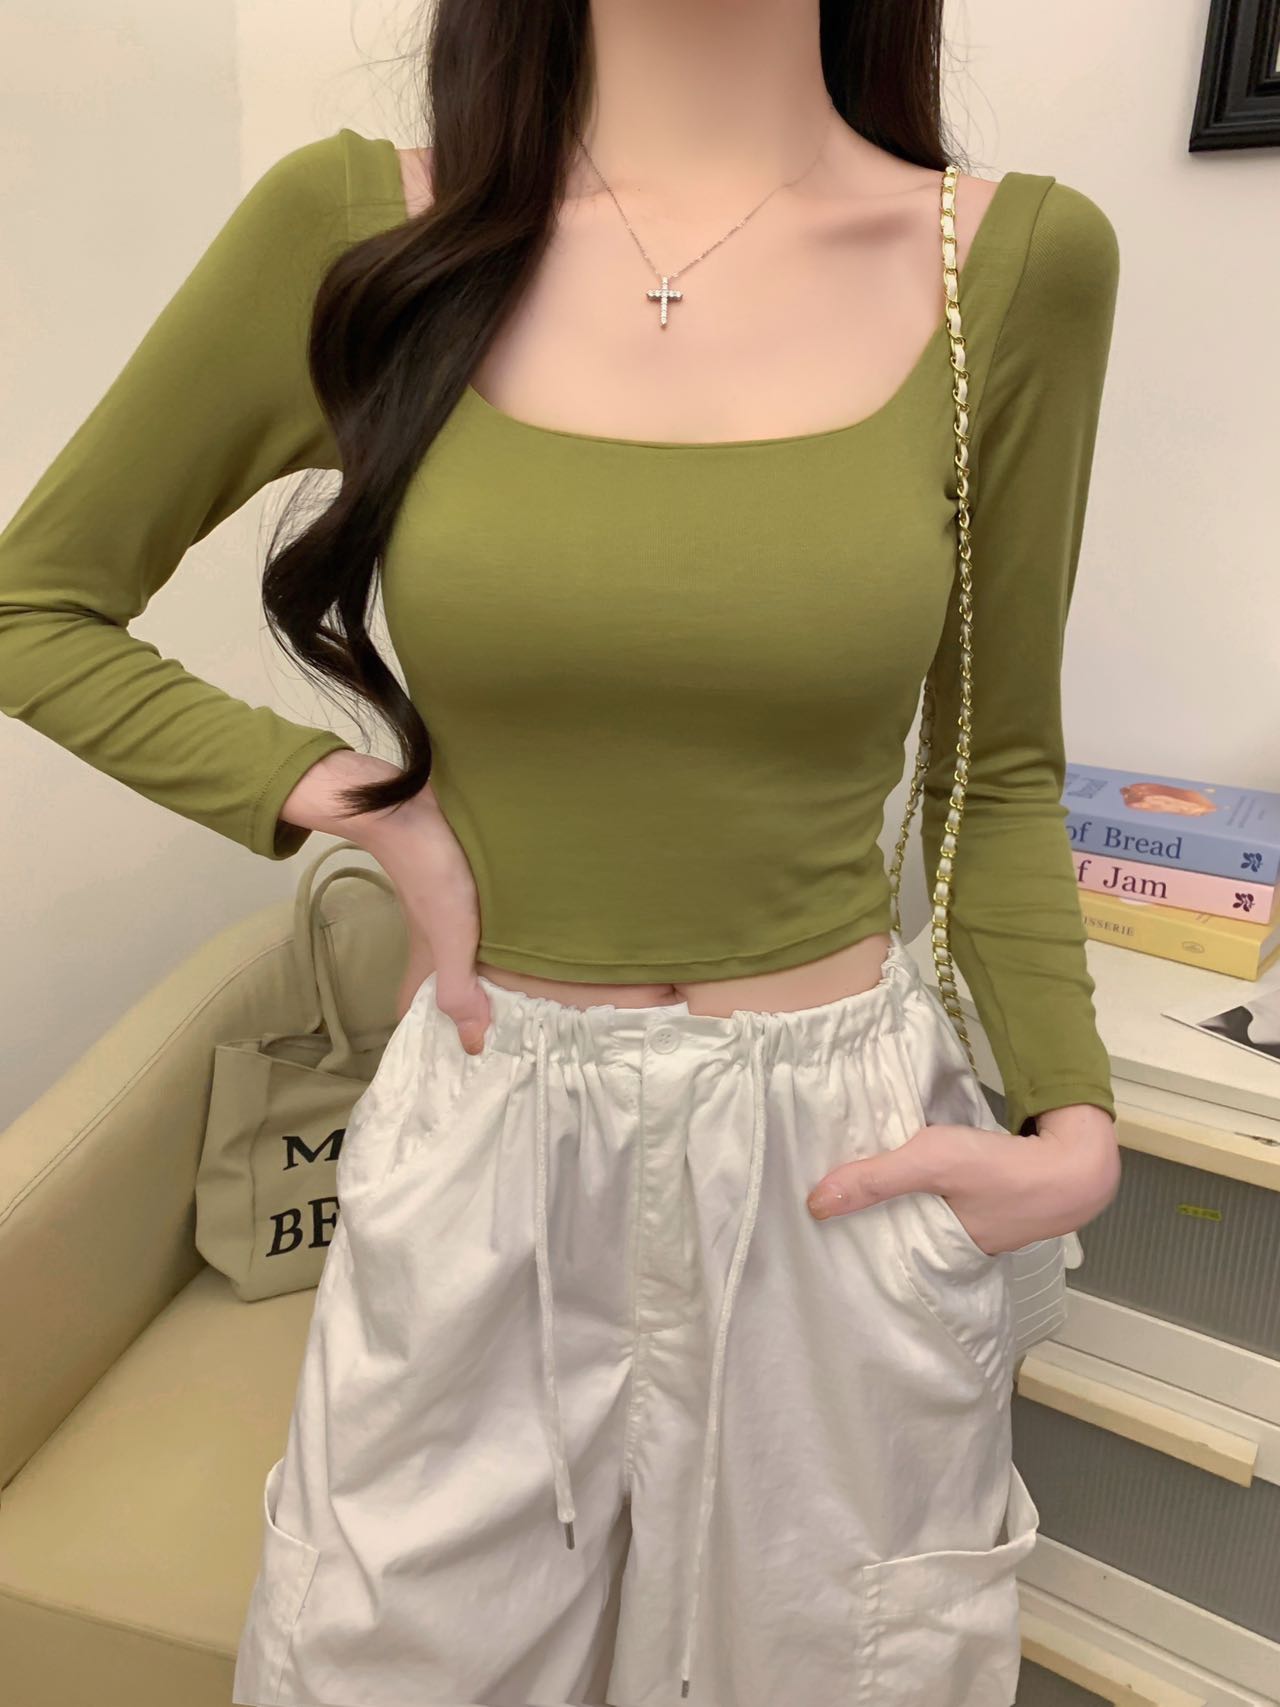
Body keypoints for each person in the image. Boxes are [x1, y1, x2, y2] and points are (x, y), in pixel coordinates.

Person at [0, 1, 1124, 1702]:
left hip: (839, 1167)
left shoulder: (1013, 271)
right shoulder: (359, 230)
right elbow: (36, 604)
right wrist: (354, 799)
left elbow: (996, 768)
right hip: (491, 1134)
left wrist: (1074, 1125)